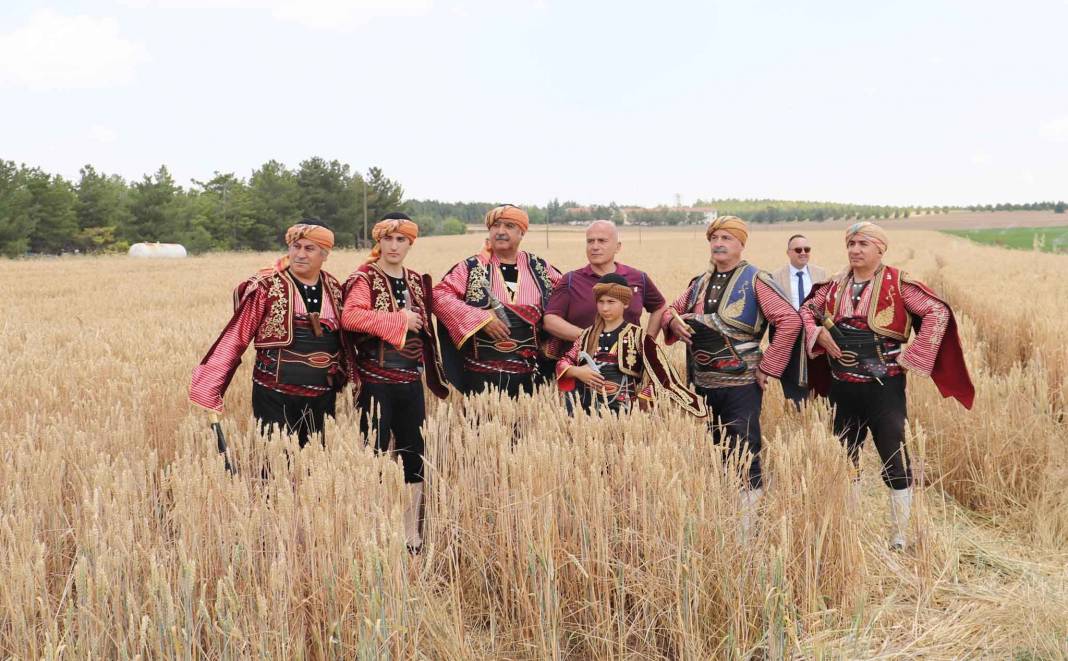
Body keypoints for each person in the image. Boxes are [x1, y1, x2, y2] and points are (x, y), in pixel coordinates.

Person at [800, 221, 974, 550]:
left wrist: (916, 355)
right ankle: (847, 527)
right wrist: (817, 332)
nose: (855, 250)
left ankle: (899, 535)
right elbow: (807, 310)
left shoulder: (899, 283)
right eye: (851, 243)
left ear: (881, 249)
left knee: (893, 457)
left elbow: (937, 312)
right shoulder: (833, 287)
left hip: (885, 388)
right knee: (843, 458)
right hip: (843, 388)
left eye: (863, 244)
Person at [661, 216, 802, 529]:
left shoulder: (756, 280)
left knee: (744, 449)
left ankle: (747, 529)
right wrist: (674, 323)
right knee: (712, 451)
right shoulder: (698, 283)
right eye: (715, 238)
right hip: (702, 384)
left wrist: (770, 366)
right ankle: (720, 518)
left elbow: (790, 321)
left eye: (727, 238)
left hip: (741, 383)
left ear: (741, 244)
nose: (719, 243)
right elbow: (670, 310)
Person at [190, 221, 353, 448]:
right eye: (296, 246)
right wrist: (211, 384)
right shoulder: (267, 286)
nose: (300, 254)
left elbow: (346, 340)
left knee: (316, 463)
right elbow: (237, 335)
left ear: (325, 254)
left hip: (321, 396)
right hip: (275, 395)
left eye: (309, 248)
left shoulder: (334, 288)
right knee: (275, 467)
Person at [341, 212, 449, 553]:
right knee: (372, 456)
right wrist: (398, 319)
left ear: (410, 243)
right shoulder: (365, 278)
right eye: (387, 239)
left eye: (401, 239)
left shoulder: (417, 281)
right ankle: (372, 530)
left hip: (409, 381)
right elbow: (351, 316)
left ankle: (410, 534)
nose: (394, 245)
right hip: (375, 382)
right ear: (379, 242)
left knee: (413, 456)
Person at [433, 204, 561, 397]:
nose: (501, 231)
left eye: (509, 226)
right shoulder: (471, 267)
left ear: (521, 232)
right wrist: (479, 318)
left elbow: (567, 300)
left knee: (526, 426)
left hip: (530, 379)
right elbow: (439, 296)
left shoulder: (540, 268)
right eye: (496, 226)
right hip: (480, 377)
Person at [555, 273, 705, 417]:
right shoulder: (586, 336)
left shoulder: (639, 338)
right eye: (601, 302)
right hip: (583, 409)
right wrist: (576, 371)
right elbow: (564, 362)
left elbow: (665, 378)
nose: (605, 308)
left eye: (611, 302)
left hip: (622, 413)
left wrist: (646, 397)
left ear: (626, 303)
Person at [543, 219, 667, 347]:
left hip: (629, 363)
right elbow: (550, 320)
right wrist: (588, 337)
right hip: (583, 362)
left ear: (617, 247)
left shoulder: (638, 278)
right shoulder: (571, 280)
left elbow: (660, 307)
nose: (595, 247)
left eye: (602, 241)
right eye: (590, 241)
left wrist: (647, 344)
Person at [772, 234, 828, 407]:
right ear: (788, 253)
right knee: (792, 378)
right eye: (798, 250)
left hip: (815, 334)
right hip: (790, 336)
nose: (803, 253)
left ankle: (818, 410)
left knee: (818, 376)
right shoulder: (775, 277)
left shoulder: (821, 273)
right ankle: (797, 411)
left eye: (807, 249)